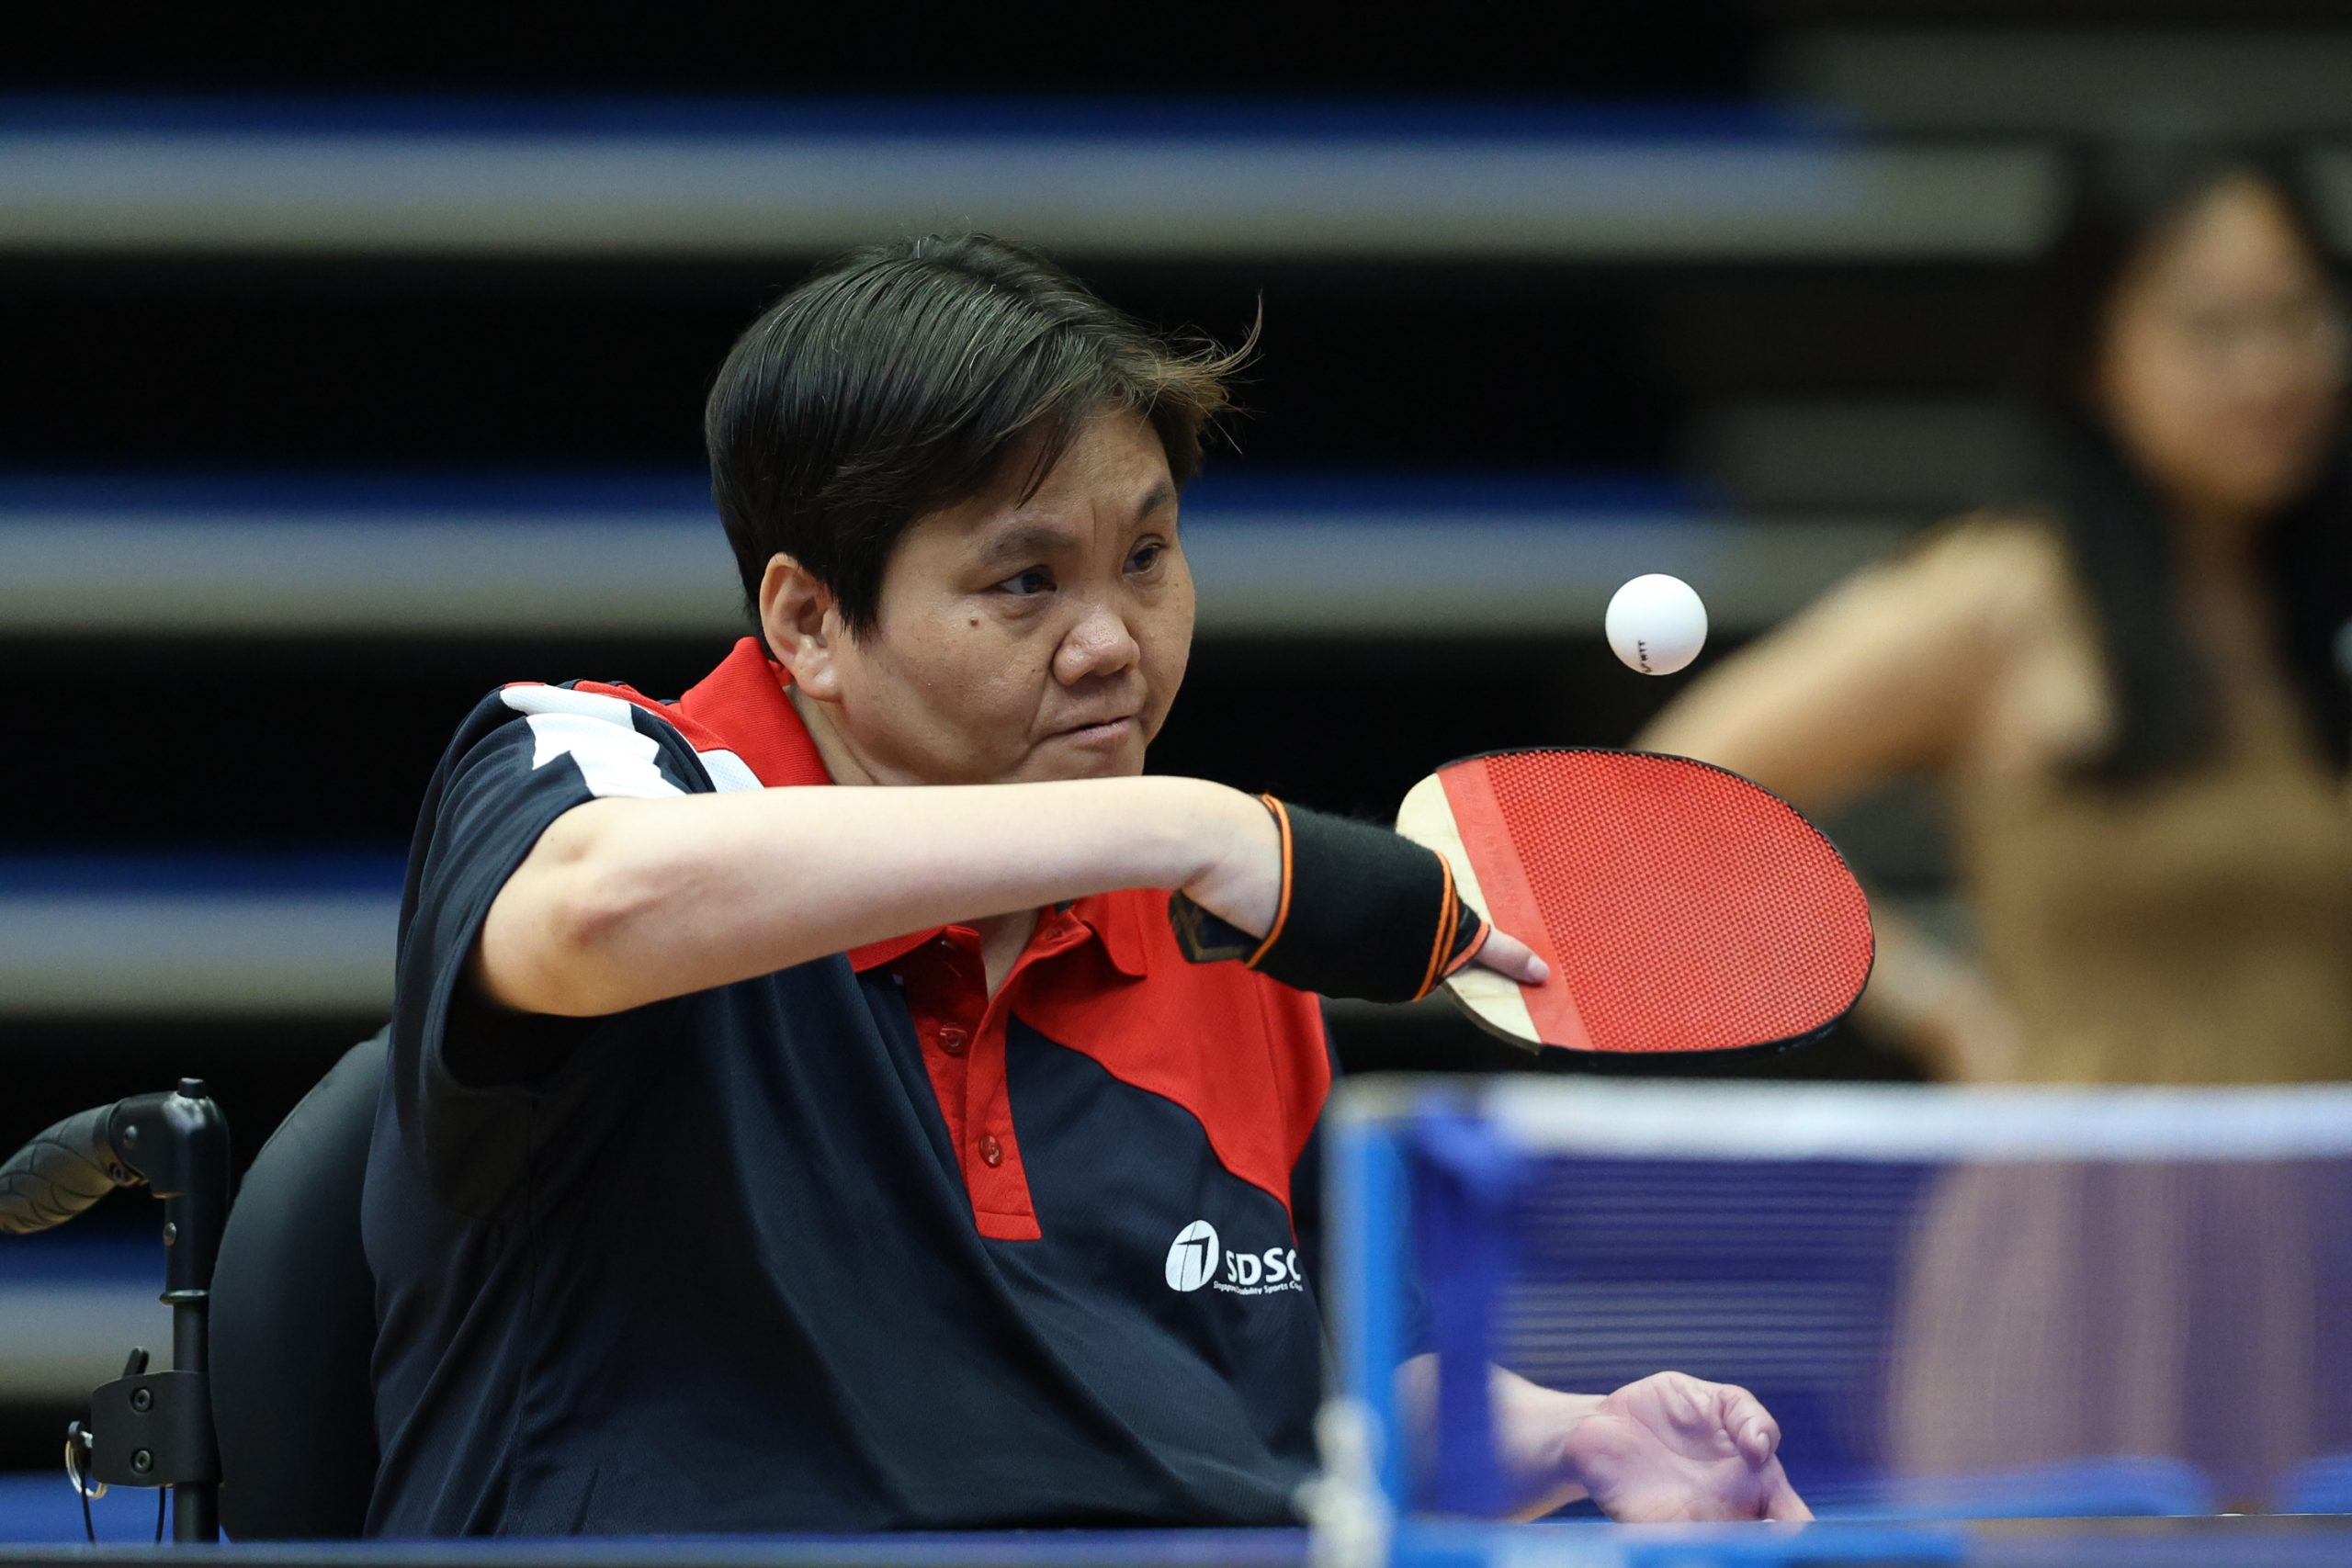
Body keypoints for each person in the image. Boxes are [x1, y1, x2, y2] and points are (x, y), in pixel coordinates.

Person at [361, 233, 1809, 1536]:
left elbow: (1318, 1404)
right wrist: (1180, 831)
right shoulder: (602, 772)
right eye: (1026, 582)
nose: (1113, 641)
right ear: (808, 619)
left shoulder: (1216, 941)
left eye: (1149, 557)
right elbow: (594, 911)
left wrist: (1582, 1435)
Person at [1636, 146, 2352, 1501]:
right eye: (2211, 327)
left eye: (2300, 317)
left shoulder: (2316, 632)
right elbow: (1669, 796)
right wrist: (1927, 997)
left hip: (2320, 1249)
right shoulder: (2001, 601)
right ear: (2094, 355)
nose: (2270, 368)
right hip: (2085, 1251)